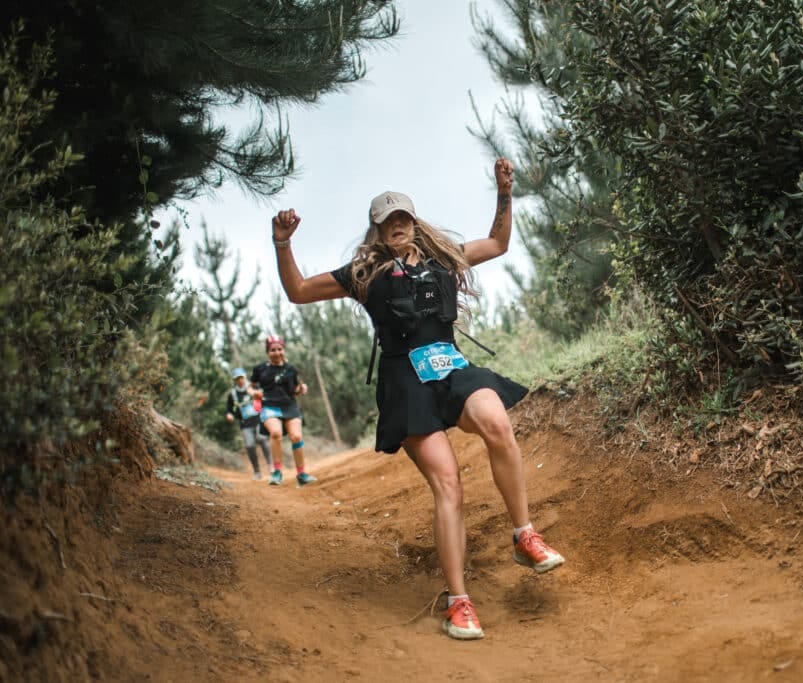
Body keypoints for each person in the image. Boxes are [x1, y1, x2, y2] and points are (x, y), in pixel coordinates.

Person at [270, 158, 564, 640]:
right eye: (388, 222)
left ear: (414, 220)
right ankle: (459, 602)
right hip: (404, 380)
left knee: (497, 423)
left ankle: (524, 535)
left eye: (403, 217)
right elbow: (299, 291)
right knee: (448, 483)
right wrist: (283, 243)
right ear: (378, 230)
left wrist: (504, 193)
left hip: (449, 365)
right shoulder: (363, 273)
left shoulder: (443, 257)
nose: (398, 226)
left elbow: (498, 243)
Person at [250, 335, 317, 487]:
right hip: (269, 405)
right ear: (268, 351)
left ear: (283, 350)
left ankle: (301, 474)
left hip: (289, 405)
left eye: (279, 349)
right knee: (276, 433)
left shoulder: (291, 369)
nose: (277, 352)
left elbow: (295, 389)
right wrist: (253, 394)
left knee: (296, 436)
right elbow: (251, 386)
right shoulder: (260, 369)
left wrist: (302, 388)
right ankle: (277, 472)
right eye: (273, 350)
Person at [225, 367, 272, 479]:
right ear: (234, 380)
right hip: (245, 424)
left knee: (262, 439)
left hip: (259, 419)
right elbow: (229, 409)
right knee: (249, 445)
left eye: (241, 377)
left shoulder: (254, 387)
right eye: (237, 379)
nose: (240, 380)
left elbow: (265, 398)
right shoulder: (232, 394)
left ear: (245, 377)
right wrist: (229, 415)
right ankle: (257, 472)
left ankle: (271, 466)